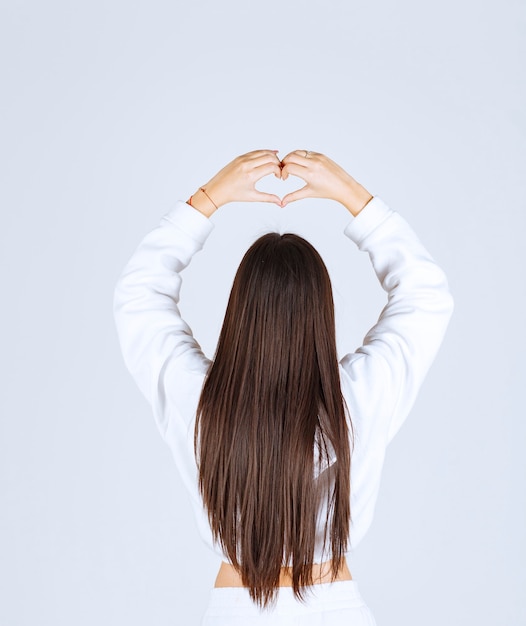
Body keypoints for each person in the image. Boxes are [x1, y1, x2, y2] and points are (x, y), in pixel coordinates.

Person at [113, 149, 454, 625]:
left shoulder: (199, 401)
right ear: (321, 314)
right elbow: (426, 295)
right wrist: (351, 195)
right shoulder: (358, 397)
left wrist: (207, 200)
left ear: (240, 313)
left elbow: (138, 296)